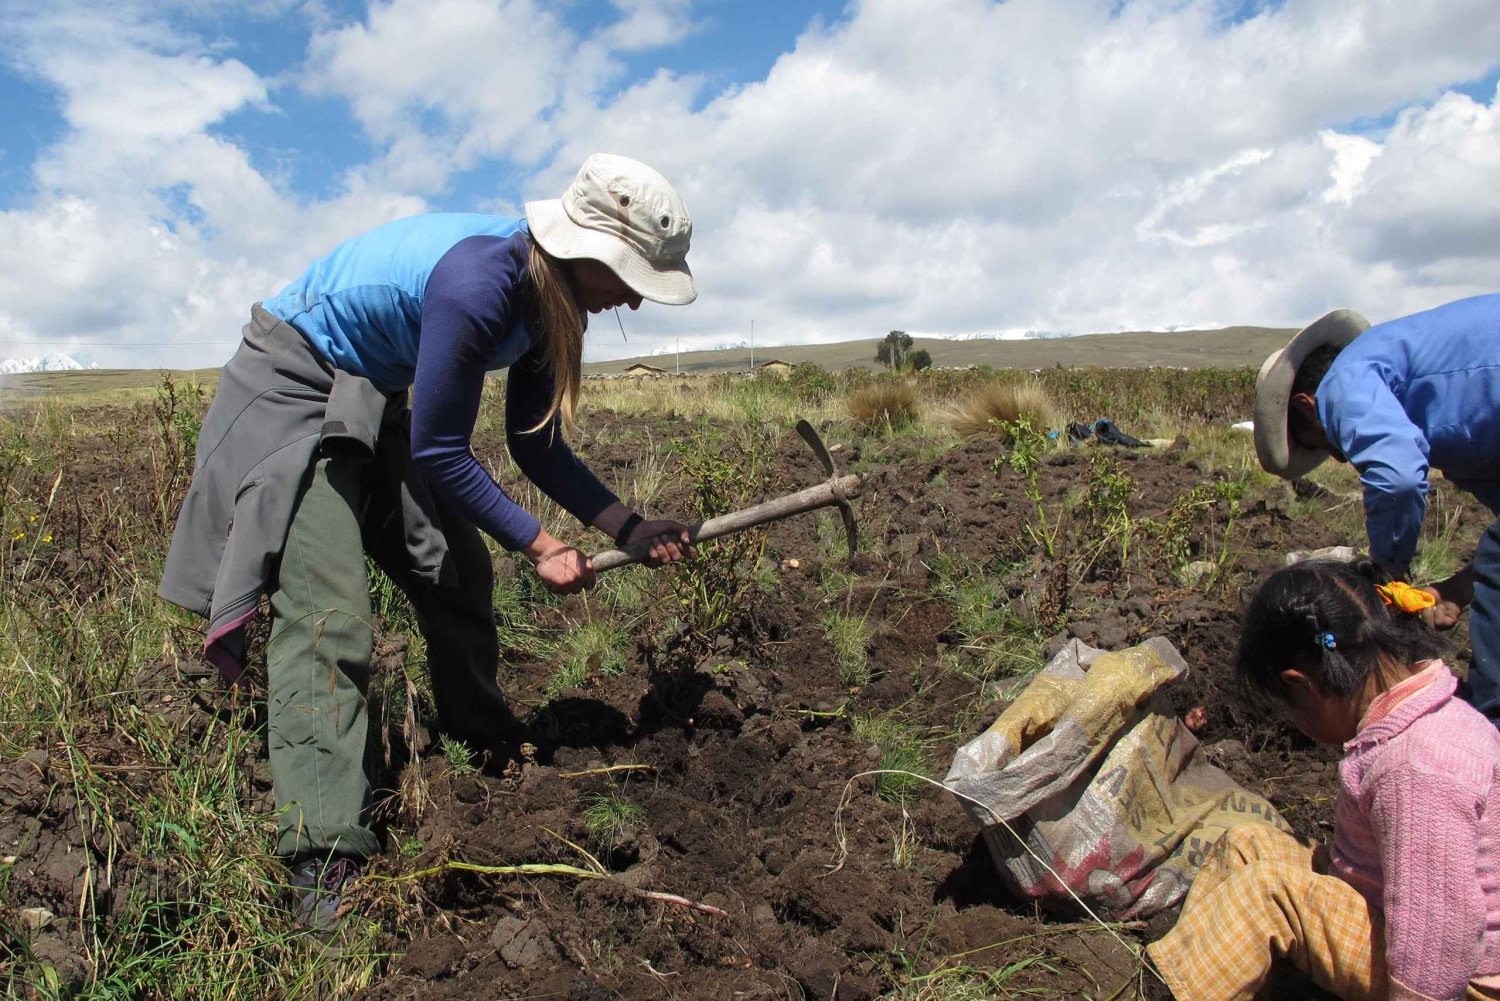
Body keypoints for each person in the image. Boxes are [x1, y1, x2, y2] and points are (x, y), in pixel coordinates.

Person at [158, 153, 697, 930]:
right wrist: (541, 542)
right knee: (327, 610)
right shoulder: (481, 284)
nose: (636, 304)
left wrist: (625, 524)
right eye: (632, 280)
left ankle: (483, 739)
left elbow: (534, 445)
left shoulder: (553, 303)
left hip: (370, 391)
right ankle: (323, 855)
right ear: (586, 252)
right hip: (294, 380)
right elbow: (445, 451)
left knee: (455, 566)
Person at [1148, 557, 1500, 1000]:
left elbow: (1441, 936)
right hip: (1392, 911)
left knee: (1268, 893)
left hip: (1457, 982)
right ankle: (1192, 974)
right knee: (1247, 842)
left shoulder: (1415, 767)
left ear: (1301, 686)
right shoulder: (1417, 717)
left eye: (1288, 709)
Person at [1250, 294, 1500, 726]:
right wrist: (1459, 588)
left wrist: (1387, 573)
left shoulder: (1344, 381)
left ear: (1307, 405)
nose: (1342, 457)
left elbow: (1397, 478)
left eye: (1320, 443)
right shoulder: (1454, 420)